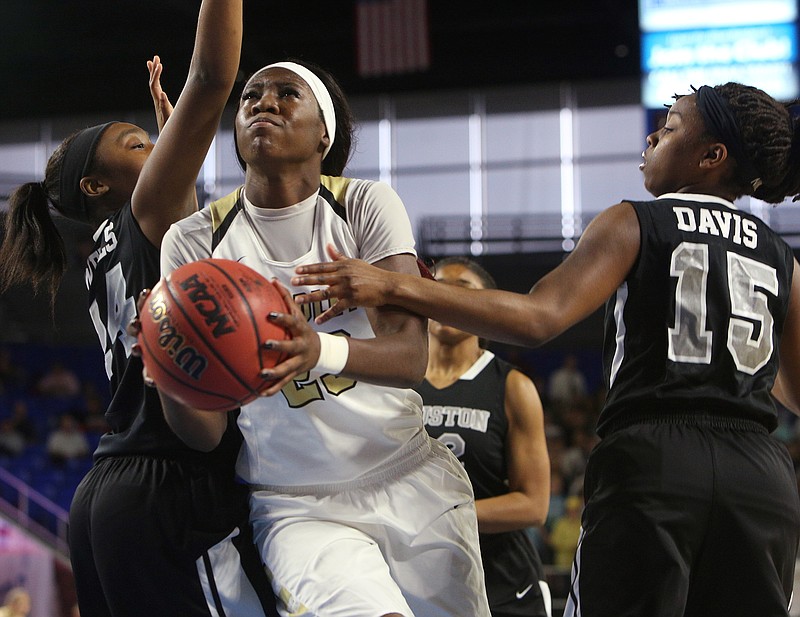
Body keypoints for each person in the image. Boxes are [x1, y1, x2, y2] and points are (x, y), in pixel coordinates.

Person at [292, 82, 800, 616]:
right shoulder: (781, 257)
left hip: (656, 462)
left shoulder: (636, 220)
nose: (652, 136)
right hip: (759, 473)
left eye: (669, 127)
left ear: (711, 156)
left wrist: (392, 285)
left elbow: (538, 320)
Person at [153, 59, 491, 616]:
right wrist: (171, 377)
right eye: (251, 97)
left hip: (406, 472)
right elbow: (205, 434)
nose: (264, 103)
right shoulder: (192, 241)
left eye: (287, 94)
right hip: (296, 502)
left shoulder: (364, 205)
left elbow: (411, 358)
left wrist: (319, 351)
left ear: (324, 133)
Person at [0, 1, 277, 615]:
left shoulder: (113, 244)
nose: (158, 142)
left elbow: (186, 241)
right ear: (96, 186)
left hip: (106, 491)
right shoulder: (147, 210)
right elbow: (211, 79)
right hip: (170, 482)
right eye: (139, 143)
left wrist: (177, 167)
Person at [416, 256, 552, 617]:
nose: (448, 301)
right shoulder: (396, 380)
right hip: (416, 579)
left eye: (463, 293)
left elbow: (534, 503)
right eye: (438, 290)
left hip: (503, 585)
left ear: (486, 309)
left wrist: (445, 516)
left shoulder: (512, 386)